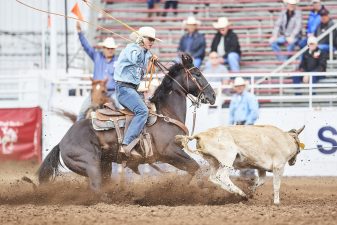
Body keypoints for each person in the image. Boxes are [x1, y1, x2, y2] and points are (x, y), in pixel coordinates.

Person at [114, 26, 160, 159]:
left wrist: (151, 59)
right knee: (143, 111)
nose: (152, 42)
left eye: (153, 40)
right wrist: (144, 50)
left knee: (149, 111)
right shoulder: (131, 49)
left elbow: (142, 71)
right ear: (141, 39)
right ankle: (126, 144)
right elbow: (135, 60)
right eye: (149, 39)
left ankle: (140, 143)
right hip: (124, 89)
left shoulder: (145, 52)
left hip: (132, 89)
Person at [76, 22, 118, 121]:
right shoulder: (97, 56)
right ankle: (77, 128)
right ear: (103, 48)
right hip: (96, 92)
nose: (110, 50)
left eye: (112, 48)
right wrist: (80, 33)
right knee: (82, 112)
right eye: (108, 48)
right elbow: (86, 47)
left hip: (112, 92)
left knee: (121, 108)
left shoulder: (118, 61)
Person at [228, 77, 259, 179]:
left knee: (248, 150)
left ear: (244, 86)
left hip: (247, 126)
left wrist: (247, 124)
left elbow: (254, 112)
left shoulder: (250, 97)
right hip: (237, 126)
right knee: (239, 151)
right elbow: (231, 114)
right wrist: (230, 126)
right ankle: (243, 173)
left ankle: (250, 174)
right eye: (237, 86)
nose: (239, 88)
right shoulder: (234, 98)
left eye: (240, 86)